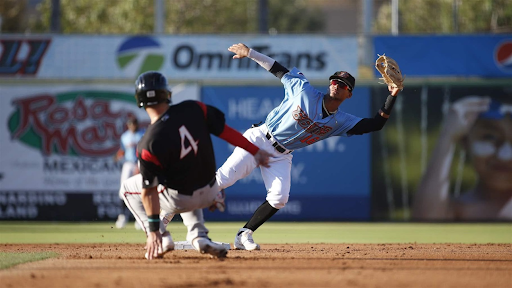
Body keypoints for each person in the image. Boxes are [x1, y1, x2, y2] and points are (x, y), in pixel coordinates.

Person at [216, 43, 402, 250]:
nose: (336, 85)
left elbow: (376, 124)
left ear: (349, 94)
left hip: (281, 155)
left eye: (342, 85)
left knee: (279, 198)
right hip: (260, 139)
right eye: (334, 81)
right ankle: (171, 209)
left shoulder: (341, 121)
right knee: (224, 178)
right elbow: (277, 69)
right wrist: (250, 53)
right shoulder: (303, 90)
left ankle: (244, 234)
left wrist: (392, 95)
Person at [131, 71, 271, 260]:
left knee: (129, 189)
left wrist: (155, 229)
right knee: (186, 180)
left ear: (139, 100)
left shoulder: (147, 142)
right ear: (167, 93)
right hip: (210, 191)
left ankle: (160, 236)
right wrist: (255, 151)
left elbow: (149, 192)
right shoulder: (194, 108)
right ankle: (199, 236)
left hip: (178, 200)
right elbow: (225, 132)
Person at [412, 96, 512, 221]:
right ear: (465, 141)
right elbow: (425, 224)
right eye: (490, 137)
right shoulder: (453, 210)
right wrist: (447, 137)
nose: (505, 155)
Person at [114, 116, 145, 229]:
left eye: (134, 123)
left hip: (140, 163)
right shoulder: (125, 136)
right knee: (123, 189)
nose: (132, 126)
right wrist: (118, 155)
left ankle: (141, 218)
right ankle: (122, 216)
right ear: (128, 125)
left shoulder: (143, 134)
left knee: (143, 189)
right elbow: (123, 150)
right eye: (130, 124)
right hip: (128, 163)